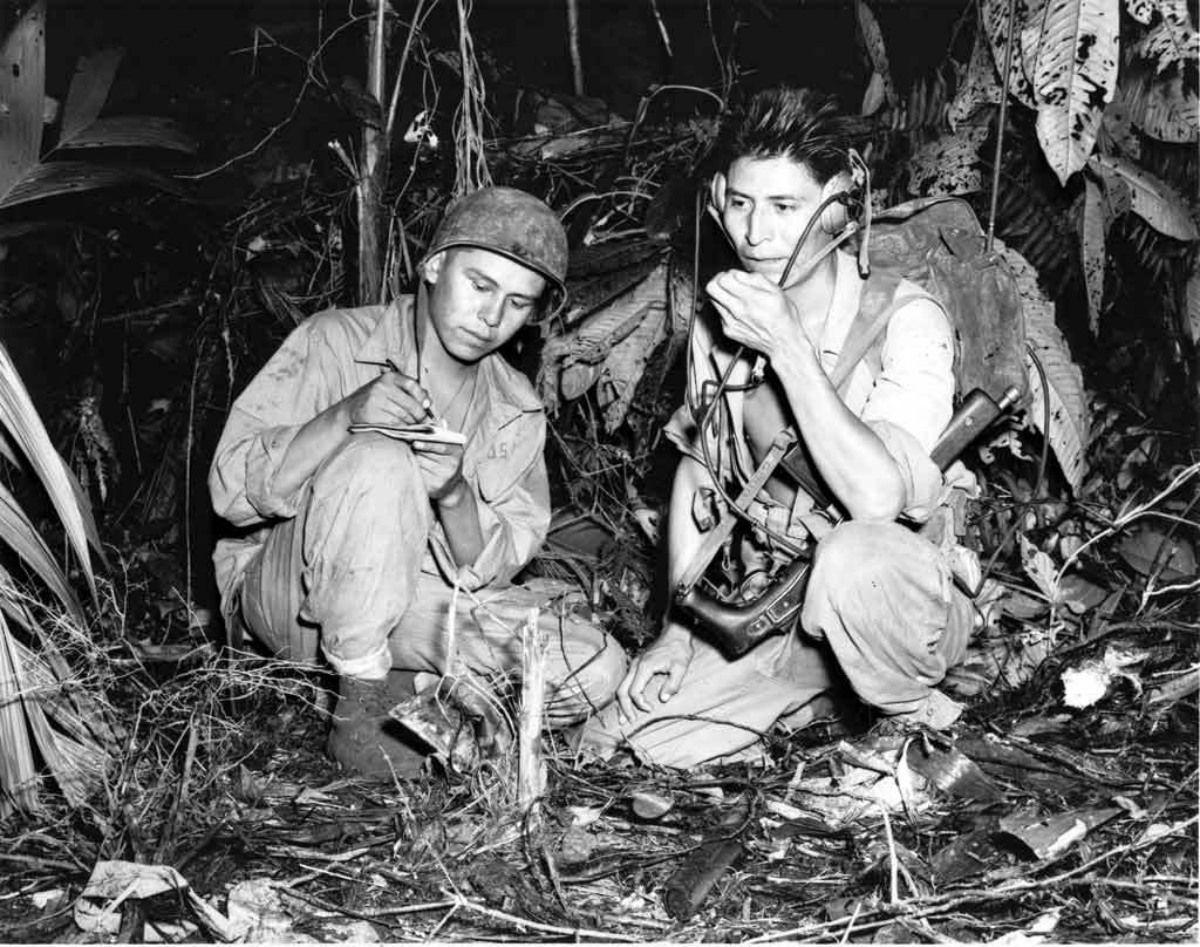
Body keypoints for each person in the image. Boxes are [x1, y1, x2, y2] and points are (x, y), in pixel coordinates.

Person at [577, 87, 975, 768]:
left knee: (857, 558)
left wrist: (789, 348)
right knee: (629, 744)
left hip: (894, 603)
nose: (755, 234)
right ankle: (818, 697)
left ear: (841, 205)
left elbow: (877, 501)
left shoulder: (905, 321)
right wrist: (678, 628)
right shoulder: (720, 322)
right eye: (740, 204)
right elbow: (699, 473)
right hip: (776, 601)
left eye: (785, 207)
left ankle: (913, 730)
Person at [210, 186, 627, 778]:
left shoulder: (515, 407)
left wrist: (454, 494)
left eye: (516, 303)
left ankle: (422, 693)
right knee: (380, 458)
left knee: (593, 665)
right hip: (292, 598)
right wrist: (345, 416)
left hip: (413, 605)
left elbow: (495, 569)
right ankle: (359, 714)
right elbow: (229, 496)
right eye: (479, 286)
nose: (491, 317)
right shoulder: (335, 342)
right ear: (434, 265)